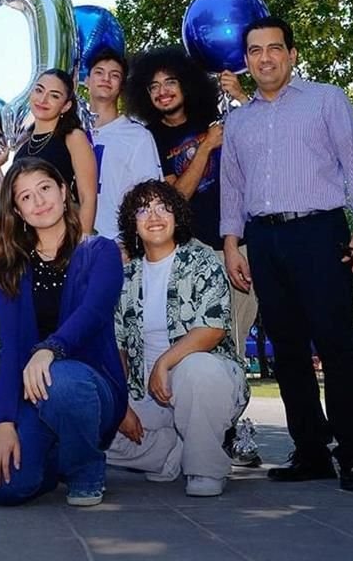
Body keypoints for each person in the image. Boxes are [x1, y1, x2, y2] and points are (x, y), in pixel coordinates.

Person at [220, 16, 353, 492]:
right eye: (255, 51)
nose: (265, 57)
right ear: (246, 61)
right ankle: (310, 449)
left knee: (336, 345)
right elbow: (233, 186)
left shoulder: (327, 100)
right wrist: (232, 243)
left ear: (291, 54)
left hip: (319, 232)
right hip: (263, 241)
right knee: (287, 350)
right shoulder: (239, 120)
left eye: (274, 48)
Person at [0, 157, 126, 507]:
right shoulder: (12, 267)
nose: (39, 201)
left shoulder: (100, 251)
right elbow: (10, 350)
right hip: (31, 392)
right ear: (17, 210)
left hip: (88, 387)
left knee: (60, 378)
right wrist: (4, 421)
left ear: (63, 190)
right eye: (26, 197)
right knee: (1, 487)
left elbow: (93, 313)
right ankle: (56, 455)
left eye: (44, 188)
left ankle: (86, 468)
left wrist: (49, 349)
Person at [106, 180, 248, 497]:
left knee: (196, 368)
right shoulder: (124, 279)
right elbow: (117, 350)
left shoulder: (202, 262)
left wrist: (164, 363)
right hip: (146, 394)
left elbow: (212, 329)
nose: (154, 215)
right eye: (143, 209)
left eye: (163, 206)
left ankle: (204, 468)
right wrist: (118, 405)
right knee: (92, 422)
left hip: (207, 383)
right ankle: (169, 454)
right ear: (133, 223)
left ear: (177, 215)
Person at [124, 46, 257, 360]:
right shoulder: (150, 138)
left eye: (170, 82)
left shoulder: (216, 117)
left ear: (186, 83)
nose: (163, 92)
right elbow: (176, 197)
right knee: (195, 337)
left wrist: (241, 96)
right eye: (153, 87)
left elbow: (263, 141)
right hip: (190, 251)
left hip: (240, 242)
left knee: (236, 334)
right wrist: (207, 146)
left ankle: (230, 404)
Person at [0, 69, 98, 234]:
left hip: (67, 235)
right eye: (39, 90)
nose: (43, 99)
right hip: (31, 241)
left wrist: (83, 245)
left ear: (66, 106)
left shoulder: (74, 137)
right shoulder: (22, 147)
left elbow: (88, 196)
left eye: (54, 95)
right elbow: (11, 203)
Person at [85, 48, 162, 239]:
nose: (106, 79)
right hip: (71, 246)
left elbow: (149, 197)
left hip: (115, 245)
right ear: (86, 80)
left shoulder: (137, 136)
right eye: (99, 72)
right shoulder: (70, 132)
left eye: (114, 75)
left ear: (121, 85)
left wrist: (128, 243)